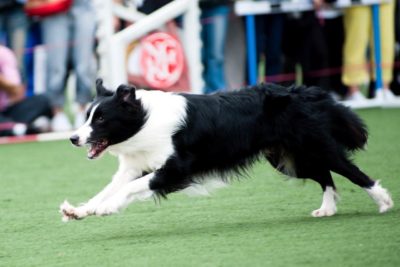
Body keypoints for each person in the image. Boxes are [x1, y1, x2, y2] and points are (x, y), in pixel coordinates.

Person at [41, 0, 96, 132]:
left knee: (84, 63)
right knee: (56, 65)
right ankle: (57, 112)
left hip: (83, 6)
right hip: (53, 7)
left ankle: (83, 109)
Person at [342, 0, 396, 101]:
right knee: (356, 40)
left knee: (385, 41)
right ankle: (354, 90)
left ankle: (384, 87)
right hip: (357, 2)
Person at [0, 44, 52, 136]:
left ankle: (15, 128)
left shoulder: (4, 53)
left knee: (42, 100)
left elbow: (16, 90)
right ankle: (18, 128)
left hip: (6, 110)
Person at [200, 0, 231, 94]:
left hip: (216, 6)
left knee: (216, 56)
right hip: (191, 10)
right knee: (199, 58)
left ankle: (219, 94)